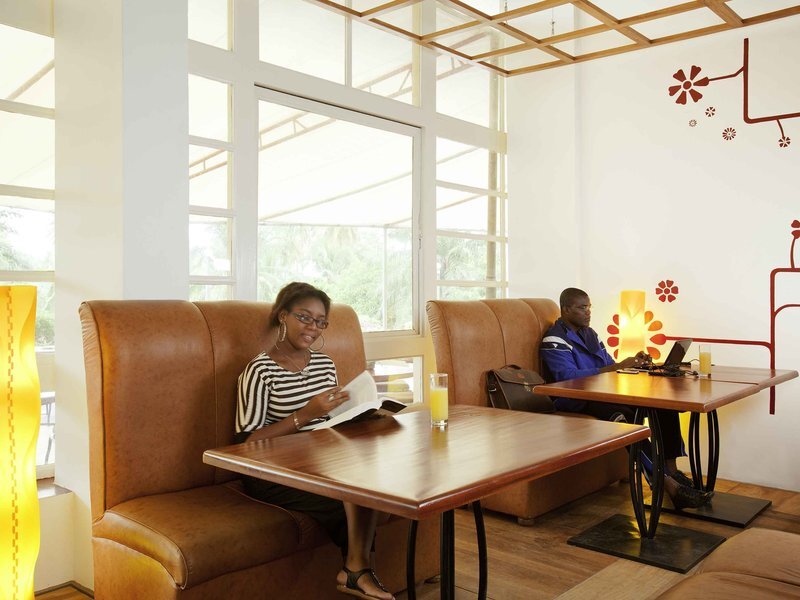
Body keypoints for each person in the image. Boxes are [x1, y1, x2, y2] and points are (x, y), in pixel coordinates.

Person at [236, 282, 394, 600]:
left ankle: (356, 572)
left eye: (320, 321)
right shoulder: (259, 371)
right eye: (304, 317)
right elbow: (247, 443)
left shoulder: (324, 364)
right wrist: (305, 415)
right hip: (273, 470)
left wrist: (365, 416)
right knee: (353, 494)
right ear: (283, 316)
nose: (313, 327)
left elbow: (331, 420)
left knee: (373, 481)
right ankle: (357, 572)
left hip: (321, 458)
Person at [540, 287, 711, 510]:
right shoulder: (554, 339)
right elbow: (567, 378)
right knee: (624, 420)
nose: (588, 312)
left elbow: (609, 365)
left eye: (589, 307)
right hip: (577, 400)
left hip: (603, 393)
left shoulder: (590, 334)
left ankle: (672, 470)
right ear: (566, 309)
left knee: (662, 404)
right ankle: (666, 484)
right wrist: (617, 367)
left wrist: (633, 363)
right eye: (582, 308)